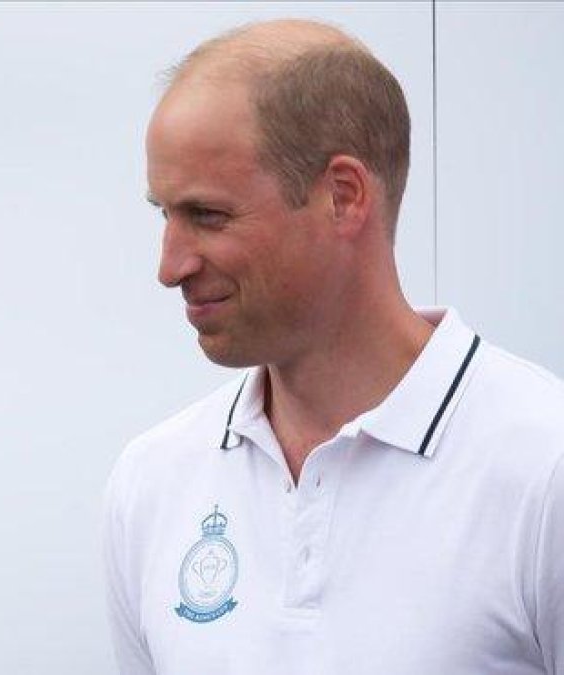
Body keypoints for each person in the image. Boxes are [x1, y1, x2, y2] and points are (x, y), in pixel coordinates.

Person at [103, 19, 563, 675]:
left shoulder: (543, 467)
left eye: (207, 215)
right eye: (164, 213)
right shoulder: (152, 481)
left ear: (343, 196)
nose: (169, 265)